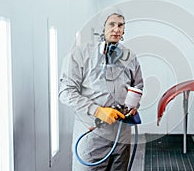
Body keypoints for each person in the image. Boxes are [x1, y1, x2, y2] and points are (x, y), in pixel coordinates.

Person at [59, 9, 144, 171]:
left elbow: (138, 85)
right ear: (102, 28)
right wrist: (97, 110)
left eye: (120, 25)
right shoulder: (79, 55)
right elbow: (66, 92)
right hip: (92, 134)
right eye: (111, 24)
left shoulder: (129, 56)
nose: (116, 29)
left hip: (121, 134)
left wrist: (133, 106)